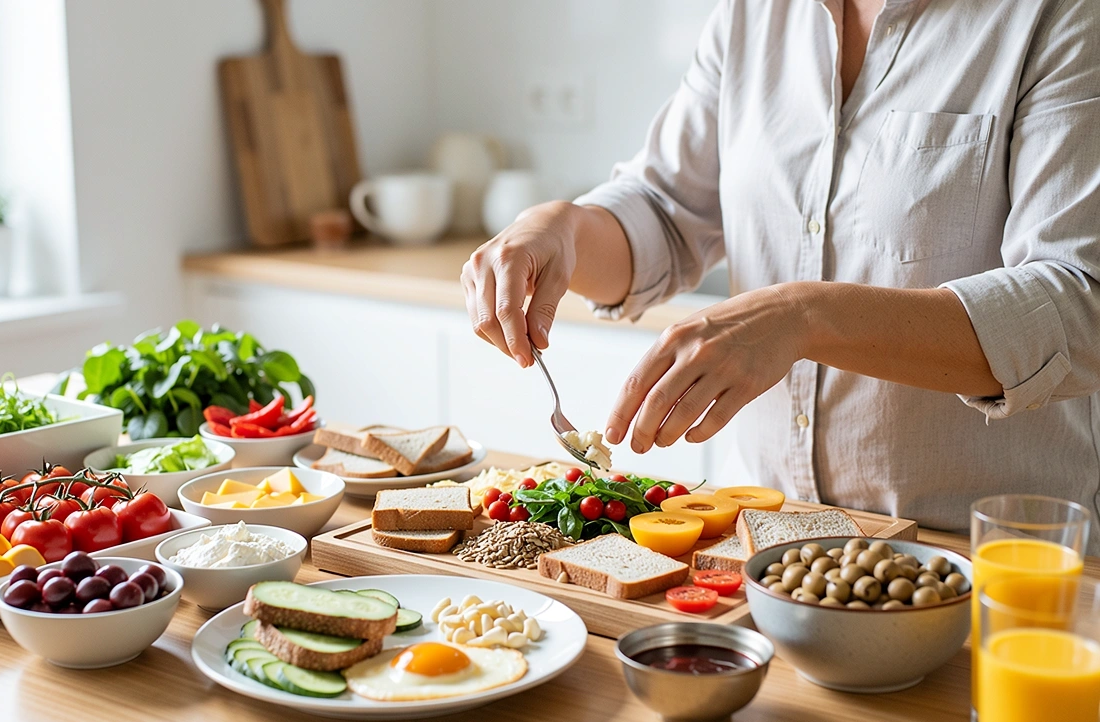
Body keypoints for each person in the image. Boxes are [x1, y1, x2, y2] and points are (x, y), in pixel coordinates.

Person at [460, 0, 1100, 537]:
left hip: (986, 555)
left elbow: (1078, 303)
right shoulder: (753, 13)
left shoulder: (1059, 14)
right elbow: (665, 208)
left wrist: (805, 318)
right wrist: (562, 228)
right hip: (764, 538)